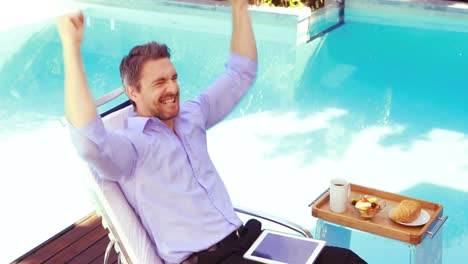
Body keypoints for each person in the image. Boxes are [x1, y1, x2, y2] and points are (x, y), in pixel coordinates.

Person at [57, 1, 366, 263]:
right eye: (159, 83)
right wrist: (71, 47)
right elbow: (89, 143)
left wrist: (238, 6)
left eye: (174, 77)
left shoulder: (192, 114)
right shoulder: (131, 148)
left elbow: (240, 74)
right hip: (206, 259)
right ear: (132, 92)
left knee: (347, 261)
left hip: (248, 243)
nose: (173, 88)